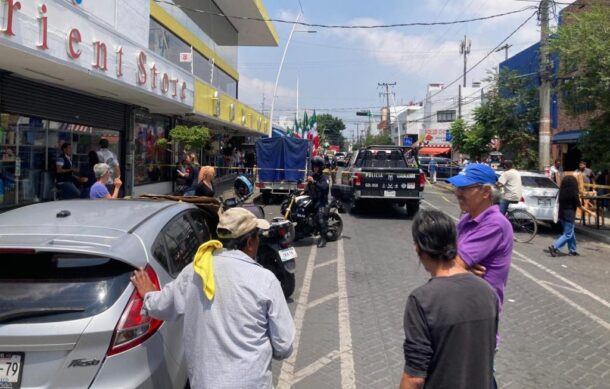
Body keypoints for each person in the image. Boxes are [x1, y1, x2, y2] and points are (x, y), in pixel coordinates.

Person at [130, 207, 295, 389]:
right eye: (257, 237)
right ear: (249, 242)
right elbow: (284, 346)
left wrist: (148, 294)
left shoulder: (195, 270)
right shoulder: (265, 280)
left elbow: (161, 305)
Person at [401, 209, 498, 389]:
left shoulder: (422, 300)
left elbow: (414, 377)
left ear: (418, 248)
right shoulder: (488, 292)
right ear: (454, 243)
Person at [447, 164, 513, 338]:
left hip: (476, 323)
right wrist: (461, 268)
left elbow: (446, 266)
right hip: (459, 314)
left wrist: (457, 266)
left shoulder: (494, 224)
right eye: (456, 187)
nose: (457, 193)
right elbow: (448, 260)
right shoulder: (467, 218)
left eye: (464, 188)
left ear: (485, 192)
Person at [548, 175, 582, 257]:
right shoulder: (573, 193)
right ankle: (554, 246)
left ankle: (572, 250)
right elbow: (578, 204)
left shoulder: (561, 192)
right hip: (569, 215)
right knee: (568, 234)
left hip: (562, 214)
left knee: (571, 232)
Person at [307, 156, 331, 248]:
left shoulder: (324, 177)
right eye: (314, 166)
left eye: (317, 166)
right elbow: (308, 187)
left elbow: (324, 187)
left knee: (319, 218)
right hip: (313, 200)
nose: (315, 168)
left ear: (320, 167)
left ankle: (323, 239)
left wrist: (313, 182)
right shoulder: (313, 176)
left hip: (322, 202)